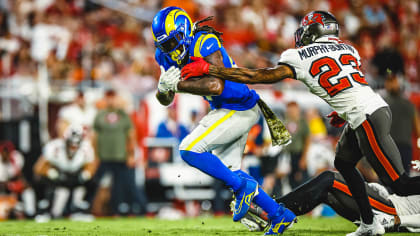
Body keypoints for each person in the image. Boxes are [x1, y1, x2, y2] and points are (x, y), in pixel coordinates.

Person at [181, 10, 420, 236]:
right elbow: (350, 82)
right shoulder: (349, 49)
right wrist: (342, 109)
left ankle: (371, 222)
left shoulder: (298, 56)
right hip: (372, 108)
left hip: (366, 116)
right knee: (343, 163)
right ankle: (370, 223)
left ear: (312, 31)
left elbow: (256, 77)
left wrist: (211, 68)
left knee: (400, 184)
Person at [151, 6, 295, 235]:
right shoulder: (164, 55)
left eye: (172, 42)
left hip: (238, 107)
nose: (170, 49)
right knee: (229, 172)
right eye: (165, 44)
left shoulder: (204, 41)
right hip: (226, 109)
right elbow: (165, 99)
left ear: (184, 31)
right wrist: (162, 88)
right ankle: (279, 215)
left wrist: (175, 85)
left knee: (189, 149)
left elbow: (215, 86)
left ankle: (244, 188)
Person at [240, 169, 420, 233]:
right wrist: (386, 193)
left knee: (330, 178)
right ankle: (272, 214)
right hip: (389, 204)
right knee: (326, 193)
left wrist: (398, 221)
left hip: (391, 213)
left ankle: (269, 208)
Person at [93, 89, 146, 215]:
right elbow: (94, 137)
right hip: (104, 156)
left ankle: (142, 209)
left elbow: (131, 135)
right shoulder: (100, 115)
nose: (110, 100)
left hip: (121, 156)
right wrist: (95, 156)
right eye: (108, 97)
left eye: (112, 97)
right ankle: (90, 208)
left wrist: (131, 155)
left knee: (125, 185)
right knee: (94, 183)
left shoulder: (123, 115)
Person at [34, 125, 98, 221]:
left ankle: (81, 210)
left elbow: (91, 166)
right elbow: (38, 168)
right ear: (65, 140)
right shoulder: (54, 147)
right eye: (71, 143)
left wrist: (85, 175)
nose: (73, 147)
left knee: (92, 182)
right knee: (41, 180)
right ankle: (44, 210)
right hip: (59, 175)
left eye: (77, 143)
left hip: (76, 175)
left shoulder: (87, 148)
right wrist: (51, 173)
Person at [382, 73, 420, 173]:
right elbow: (418, 129)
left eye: (393, 81)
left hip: (400, 147)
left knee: (390, 180)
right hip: (390, 147)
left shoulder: (382, 104)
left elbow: (417, 128)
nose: (392, 84)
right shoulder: (382, 103)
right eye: (389, 82)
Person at [284, 101, 310, 189]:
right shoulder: (285, 122)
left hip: (299, 154)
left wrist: (304, 157)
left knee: (301, 180)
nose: (291, 112)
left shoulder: (302, 122)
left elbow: (307, 140)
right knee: (290, 180)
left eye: (293, 109)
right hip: (287, 154)